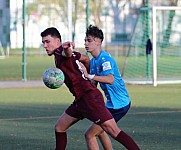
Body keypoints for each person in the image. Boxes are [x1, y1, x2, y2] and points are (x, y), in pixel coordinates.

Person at [40, 27, 140, 150]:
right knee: (60, 127)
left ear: (57, 41)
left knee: (112, 131)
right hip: (81, 99)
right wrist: (86, 75)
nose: (45, 45)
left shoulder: (61, 51)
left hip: (90, 99)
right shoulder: (58, 54)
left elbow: (68, 53)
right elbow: (85, 58)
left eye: (47, 42)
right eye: (43, 42)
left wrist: (66, 47)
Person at [79, 24, 132, 150]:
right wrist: (83, 78)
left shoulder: (105, 59)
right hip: (111, 104)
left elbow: (110, 79)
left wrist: (90, 76)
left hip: (120, 104)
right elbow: (93, 85)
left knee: (90, 134)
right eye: (85, 40)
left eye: (89, 40)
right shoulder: (93, 61)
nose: (86, 43)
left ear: (98, 41)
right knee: (101, 131)